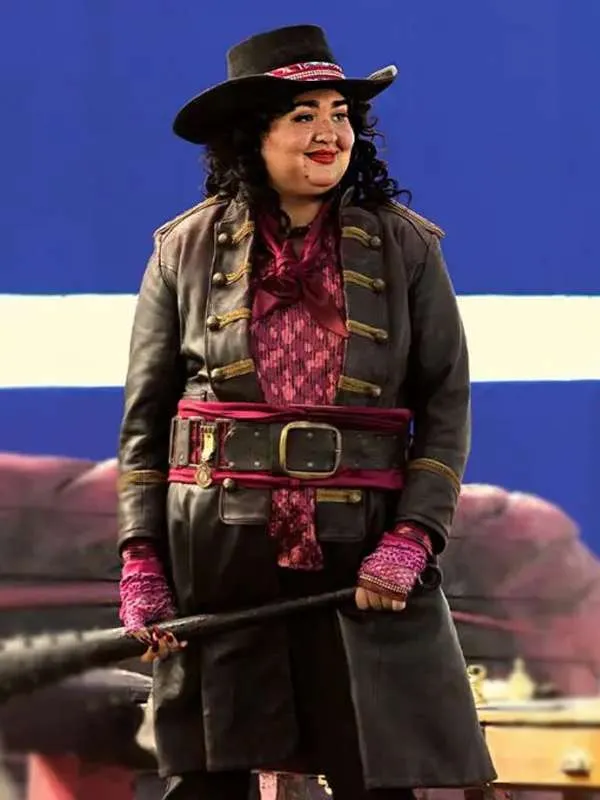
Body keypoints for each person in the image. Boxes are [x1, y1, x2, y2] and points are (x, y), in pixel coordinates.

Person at [116, 23, 496, 800]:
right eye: (303, 115)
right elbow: (145, 425)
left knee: (380, 772)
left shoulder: (407, 248)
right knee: (209, 777)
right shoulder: (183, 249)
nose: (330, 133)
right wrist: (141, 560)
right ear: (251, 136)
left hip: (363, 547)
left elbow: (445, 407)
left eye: (340, 114)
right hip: (218, 552)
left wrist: (413, 539)